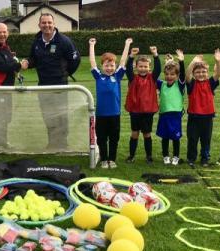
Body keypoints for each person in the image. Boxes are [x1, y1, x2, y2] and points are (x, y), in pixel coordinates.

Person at [24, 13, 81, 151]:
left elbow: (75, 60)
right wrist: (27, 62)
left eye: (49, 22)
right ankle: (52, 143)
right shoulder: (37, 41)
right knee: (48, 116)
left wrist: (65, 74)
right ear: (39, 25)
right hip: (43, 86)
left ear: (54, 24)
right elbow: (33, 59)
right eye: (44, 23)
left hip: (60, 86)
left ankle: (62, 144)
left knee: (61, 116)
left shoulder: (64, 41)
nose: (47, 25)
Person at [89, 37, 132, 169]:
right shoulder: (98, 76)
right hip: (101, 115)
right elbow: (92, 62)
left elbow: (123, 61)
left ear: (115, 66)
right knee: (101, 139)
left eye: (112, 65)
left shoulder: (117, 76)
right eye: (107, 65)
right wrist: (92, 46)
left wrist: (127, 44)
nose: (109, 68)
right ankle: (104, 159)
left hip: (114, 114)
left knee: (114, 139)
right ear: (102, 66)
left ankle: (112, 159)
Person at [0, 22, 25, 151]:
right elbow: (2, 67)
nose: (3, 34)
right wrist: (19, 65)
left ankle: (3, 142)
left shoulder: (5, 47)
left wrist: (16, 63)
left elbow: (11, 61)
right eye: (0, 32)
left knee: (6, 117)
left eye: (5, 32)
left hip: (7, 89)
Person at [124, 46, 160, 164]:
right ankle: (131, 156)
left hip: (148, 111)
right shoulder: (132, 78)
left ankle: (149, 156)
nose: (143, 68)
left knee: (147, 134)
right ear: (136, 67)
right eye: (141, 66)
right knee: (134, 133)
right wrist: (131, 56)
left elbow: (158, 69)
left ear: (149, 68)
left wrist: (155, 55)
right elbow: (127, 68)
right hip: (135, 111)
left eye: (145, 66)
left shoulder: (152, 78)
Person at [185, 55, 220, 168]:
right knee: (192, 139)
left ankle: (205, 158)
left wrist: (219, 61)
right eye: (198, 72)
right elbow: (187, 75)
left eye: (204, 71)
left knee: (206, 140)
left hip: (207, 118)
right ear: (194, 74)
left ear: (207, 73)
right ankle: (191, 158)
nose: (201, 74)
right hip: (194, 117)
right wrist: (193, 62)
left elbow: (217, 73)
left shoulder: (210, 83)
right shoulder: (192, 84)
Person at [155, 50, 185, 166]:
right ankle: (166, 156)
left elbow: (182, 74)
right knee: (165, 136)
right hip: (164, 114)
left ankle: (176, 157)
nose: (169, 76)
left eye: (172, 74)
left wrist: (181, 61)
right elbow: (153, 77)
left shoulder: (179, 84)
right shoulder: (161, 84)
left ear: (177, 76)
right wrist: (166, 63)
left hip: (175, 115)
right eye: (167, 74)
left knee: (176, 138)